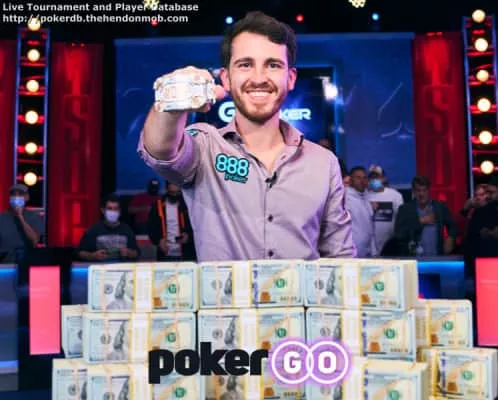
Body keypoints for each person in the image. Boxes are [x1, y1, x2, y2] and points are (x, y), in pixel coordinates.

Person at [137, 11, 355, 262]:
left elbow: (340, 259)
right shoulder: (205, 147)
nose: (259, 78)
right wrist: (171, 101)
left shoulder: (324, 163)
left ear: (291, 78)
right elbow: (160, 150)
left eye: (273, 65)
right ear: (226, 78)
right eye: (245, 65)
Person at [394, 176, 457, 256]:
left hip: (437, 258)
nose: (421, 194)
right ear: (413, 191)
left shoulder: (439, 207)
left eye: (424, 190)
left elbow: (453, 226)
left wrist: (450, 238)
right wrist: (420, 221)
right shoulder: (405, 209)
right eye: (418, 190)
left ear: (429, 190)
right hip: (413, 258)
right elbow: (399, 233)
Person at [78, 194, 140, 262]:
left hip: (121, 266)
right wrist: (93, 256)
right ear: (103, 210)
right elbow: (80, 253)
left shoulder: (127, 229)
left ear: (119, 211)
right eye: (110, 209)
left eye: (116, 209)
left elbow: (136, 253)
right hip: (99, 267)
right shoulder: (93, 230)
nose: (113, 211)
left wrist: (129, 252)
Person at [147, 182, 196, 261]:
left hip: (186, 254)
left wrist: (189, 236)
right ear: (167, 190)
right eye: (172, 193)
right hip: (165, 254)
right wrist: (159, 240)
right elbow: (151, 228)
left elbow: (197, 226)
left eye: (178, 193)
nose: (175, 195)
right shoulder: (158, 206)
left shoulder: (188, 205)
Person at [0, 184, 44, 263]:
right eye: (13, 194)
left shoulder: (34, 216)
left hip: (26, 262)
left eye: (20, 194)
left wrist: (20, 217)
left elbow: (35, 240)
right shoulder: (1, 217)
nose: (16, 197)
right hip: (5, 263)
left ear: (27, 197)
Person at [366, 165, 404, 255]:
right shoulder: (364, 196)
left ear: (384, 178)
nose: (374, 180)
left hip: (390, 245)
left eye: (377, 177)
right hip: (370, 247)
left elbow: (401, 219)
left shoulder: (395, 195)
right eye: (372, 177)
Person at [345, 167, 375, 257]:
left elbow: (369, 226)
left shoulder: (367, 197)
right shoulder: (344, 197)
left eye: (364, 178)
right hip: (351, 251)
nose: (362, 181)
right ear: (350, 180)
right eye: (358, 177)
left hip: (367, 249)